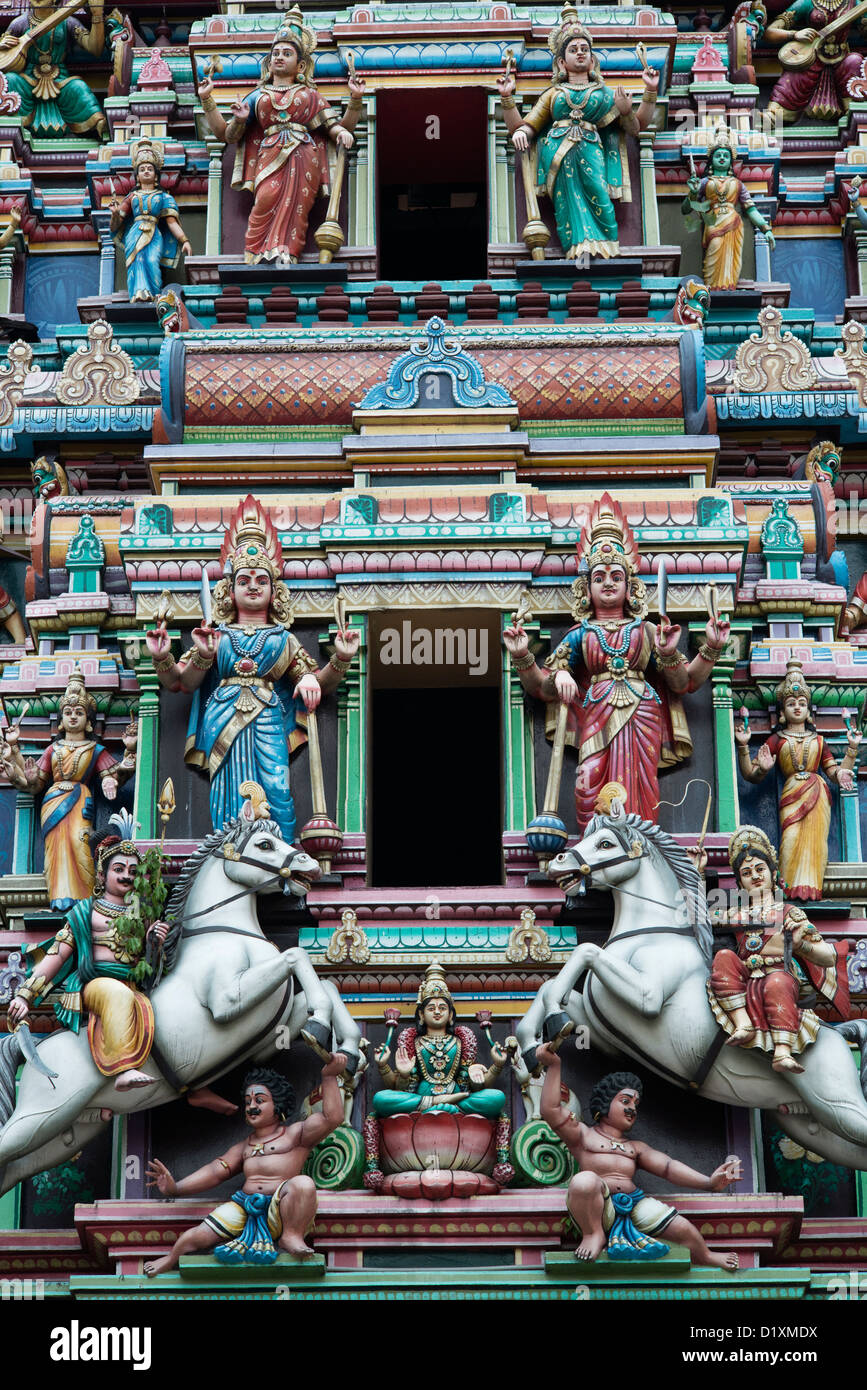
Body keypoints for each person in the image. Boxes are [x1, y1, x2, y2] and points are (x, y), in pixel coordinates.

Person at [503, 493, 729, 831]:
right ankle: (595, 847)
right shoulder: (581, 634)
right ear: (586, 588)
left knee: (641, 782)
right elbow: (541, 687)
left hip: (644, 715)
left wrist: (705, 647)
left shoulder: (649, 630)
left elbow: (684, 684)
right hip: (595, 713)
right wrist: (525, 656)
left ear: (630, 586)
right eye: (599, 577)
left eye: (616, 576)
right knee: (588, 782)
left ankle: (640, 847)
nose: (608, 582)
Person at [145, 494, 358, 842]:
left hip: (269, 719)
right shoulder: (216, 634)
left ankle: (278, 853)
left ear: (276, 590)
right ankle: (228, 848)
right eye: (244, 580)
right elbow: (181, 683)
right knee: (227, 788)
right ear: (230, 590)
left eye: (262, 580)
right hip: (223, 715)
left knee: (276, 786)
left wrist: (341, 659)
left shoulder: (283, 639)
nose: (254, 586)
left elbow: (318, 682)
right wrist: (165, 657)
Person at [537, 1049, 742, 1269]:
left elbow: (668, 1167)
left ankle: (706, 1256)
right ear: (606, 1103)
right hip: (597, 1207)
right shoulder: (583, 1135)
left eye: (635, 1104)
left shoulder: (635, 1148)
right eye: (625, 1100)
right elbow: (550, 1110)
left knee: (682, 1227)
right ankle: (594, 1234)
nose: (632, 1108)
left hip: (634, 1203)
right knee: (584, 1181)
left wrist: (709, 1183)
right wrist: (555, 1065)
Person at [144, 1056, 346, 1272]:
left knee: (304, 1184)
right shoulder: (243, 1147)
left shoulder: (296, 1134)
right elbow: (215, 1171)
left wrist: (329, 1076)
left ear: (277, 1104)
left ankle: (291, 1236)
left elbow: (332, 1118)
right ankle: (170, 1258)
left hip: (281, 1207)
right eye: (248, 1102)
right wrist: (176, 1188)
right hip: (245, 1206)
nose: (252, 1107)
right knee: (198, 1235)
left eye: (259, 1100)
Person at [197, 6, 364, 264]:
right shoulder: (259, 96)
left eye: (287, 53)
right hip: (269, 155)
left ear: (301, 64)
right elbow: (225, 134)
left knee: (296, 208)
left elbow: (335, 127)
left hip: (303, 157)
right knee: (265, 199)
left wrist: (354, 103)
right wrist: (209, 100)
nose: (279, 57)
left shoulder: (309, 95)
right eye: (275, 53)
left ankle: (287, 252)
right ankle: (255, 254)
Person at [6, 830, 168, 1091]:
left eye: (133, 871)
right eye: (119, 868)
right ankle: (123, 1068)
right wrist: (25, 996)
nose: (127, 875)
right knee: (115, 993)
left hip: (135, 985)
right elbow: (57, 955)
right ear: (102, 876)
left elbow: (151, 964)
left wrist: (154, 942)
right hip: (97, 985)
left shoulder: (143, 913)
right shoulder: (86, 913)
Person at [497, 18, 657, 260]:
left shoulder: (603, 94)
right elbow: (527, 126)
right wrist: (509, 102)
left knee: (598, 195)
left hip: (592, 150)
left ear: (593, 60)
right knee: (566, 203)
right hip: (558, 156)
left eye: (585, 50)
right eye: (573, 50)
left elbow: (636, 127)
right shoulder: (553, 94)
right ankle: (576, 248)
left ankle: (604, 247)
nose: (580, 54)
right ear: (562, 62)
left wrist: (646, 94)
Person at [707, 825, 847, 1074]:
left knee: (777, 983)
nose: (755, 876)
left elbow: (826, 957)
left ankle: (783, 1051)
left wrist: (801, 943)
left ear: (773, 874)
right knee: (724, 957)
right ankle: (743, 1023)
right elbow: (702, 916)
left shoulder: (789, 913)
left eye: (760, 869)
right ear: (740, 883)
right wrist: (696, 872)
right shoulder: (735, 914)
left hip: (779, 977)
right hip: (745, 979)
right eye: (747, 873)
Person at [0, 669, 136, 910]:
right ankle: (60, 899)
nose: (73, 717)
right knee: (56, 851)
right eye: (68, 712)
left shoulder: (95, 750)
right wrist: (16, 766)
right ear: (61, 720)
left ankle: (85, 901)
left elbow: (115, 776)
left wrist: (127, 756)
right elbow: (34, 785)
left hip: (80, 802)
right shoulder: (53, 750)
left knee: (81, 844)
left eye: (79, 712)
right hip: (53, 803)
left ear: (89, 721)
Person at [735, 660, 859, 900]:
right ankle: (789, 888)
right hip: (792, 795)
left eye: (802, 703)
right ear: (782, 712)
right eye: (791, 704)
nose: (797, 708)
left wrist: (851, 754)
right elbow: (751, 774)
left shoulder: (819, 741)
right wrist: (743, 747)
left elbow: (833, 772)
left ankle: (812, 890)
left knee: (815, 845)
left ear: (809, 710)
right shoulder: (777, 740)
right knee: (790, 842)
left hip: (817, 794)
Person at [372, 962, 508, 1119]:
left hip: (457, 1096)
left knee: (496, 1097)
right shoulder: (414, 1042)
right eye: (431, 1008)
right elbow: (401, 1089)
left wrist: (497, 1065)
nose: (437, 1012)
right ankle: (441, 1102)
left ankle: (439, 1104)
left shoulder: (459, 1042)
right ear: (421, 1015)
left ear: (450, 1015)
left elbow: (476, 1087)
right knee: (381, 1099)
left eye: (443, 1008)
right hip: (423, 1098)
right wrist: (391, 1070)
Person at [2, 0, 107, 139]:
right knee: (10, 80)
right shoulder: (19, 23)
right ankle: (7, 128)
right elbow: (4, 56)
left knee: (78, 87)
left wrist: (97, 15)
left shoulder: (67, 22)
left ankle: (100, 126)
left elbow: (95, 49)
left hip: (60, 79)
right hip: (28, 79)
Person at [682, 134, 775, 290]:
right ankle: (712, 287)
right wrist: (692, 192)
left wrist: (766, 229)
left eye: (726, 155)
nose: (722, 158)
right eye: (718, 155)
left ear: (731, 162)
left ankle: (727, 288)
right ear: (711, 160)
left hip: (732, 224)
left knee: (730, 259)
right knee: (714, 251)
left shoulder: (737, 184)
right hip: (713, 223)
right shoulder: (705, 182)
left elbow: (751, 209)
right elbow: (685, 209)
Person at [109, 139, 192, 302]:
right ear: (137, 176)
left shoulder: (163, 197)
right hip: (135, 232)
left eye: (149, 169)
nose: (146, 172)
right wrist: (114, 214)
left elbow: (171, 222)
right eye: (142, 169)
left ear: (156, 174)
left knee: (153, 260)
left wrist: (185, 241)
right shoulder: (132, 197)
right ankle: (139, 294)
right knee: (137, 259)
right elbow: (117, 223)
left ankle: (153, 294)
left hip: (154, 233)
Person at [766, 0, 867, 123]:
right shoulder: (806, 3)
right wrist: (794, 34)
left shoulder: (853, 3)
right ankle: (774, 115)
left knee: (855, 61)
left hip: (842, 61)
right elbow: (770, 32)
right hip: (810, 58)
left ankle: (853, 112)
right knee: (794, 73)